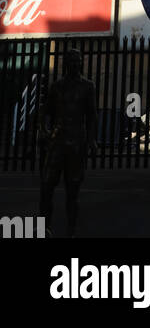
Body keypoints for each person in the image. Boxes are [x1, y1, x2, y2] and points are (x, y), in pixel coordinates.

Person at [38, 48, 97, 237]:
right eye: (71, 60)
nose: (74, 63)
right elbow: (45, 111)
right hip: (57, 141)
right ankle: (43, 228)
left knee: (73, 190)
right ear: (65, 64)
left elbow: (92, 116)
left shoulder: (88, 87)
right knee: (47, 186)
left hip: (76, 142)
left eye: (77, 60)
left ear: (80, 63)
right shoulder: (57, 86)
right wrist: (43, 130)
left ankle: (71, 230)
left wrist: (91, 140)